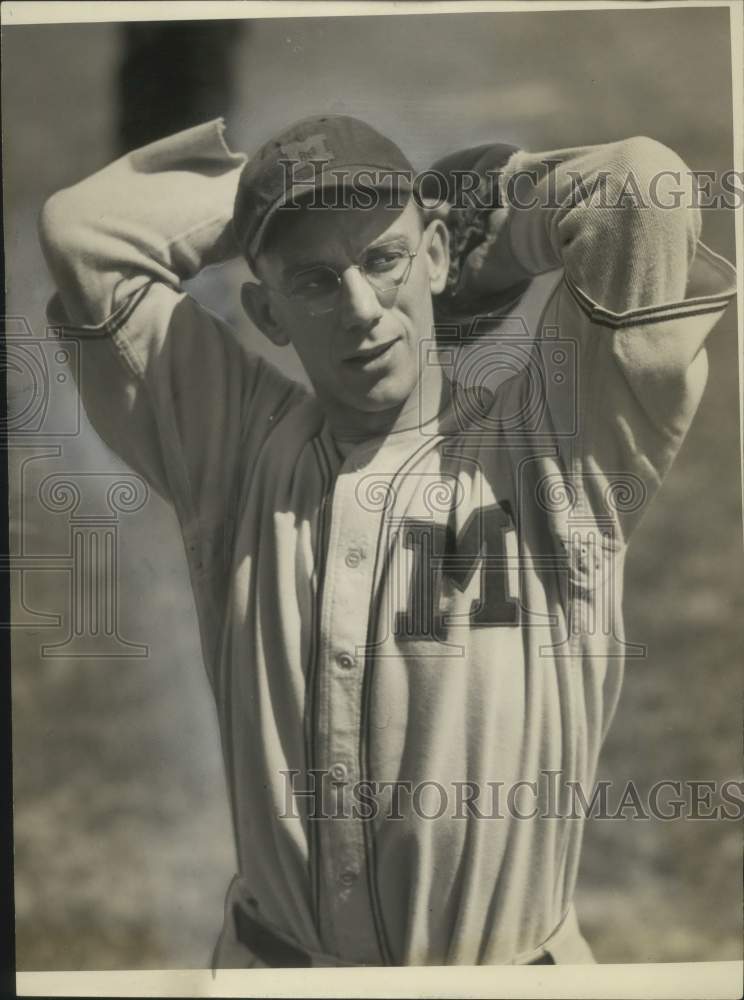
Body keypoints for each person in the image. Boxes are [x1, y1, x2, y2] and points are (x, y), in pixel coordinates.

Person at [38, 114, 735, 968]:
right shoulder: (240, 451)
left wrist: (491, 220)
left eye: (384, 259)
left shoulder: (555, 445)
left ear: (437, 256)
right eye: (316, 282)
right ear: (267, 311)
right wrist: (272, 182)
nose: (363, 310)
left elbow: (637, 186)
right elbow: (85, 232)